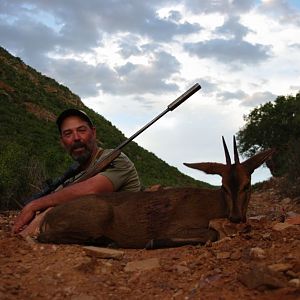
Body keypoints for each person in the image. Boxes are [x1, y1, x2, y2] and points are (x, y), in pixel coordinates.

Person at [12, 108, 141, 234]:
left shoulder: (117, 159)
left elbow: (91, 190)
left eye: (82, 130)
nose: (76, 138)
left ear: (94, 133)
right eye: (68, 134)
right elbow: (57, 198)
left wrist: (34, 205)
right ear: (62, 142)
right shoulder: (73, 176)